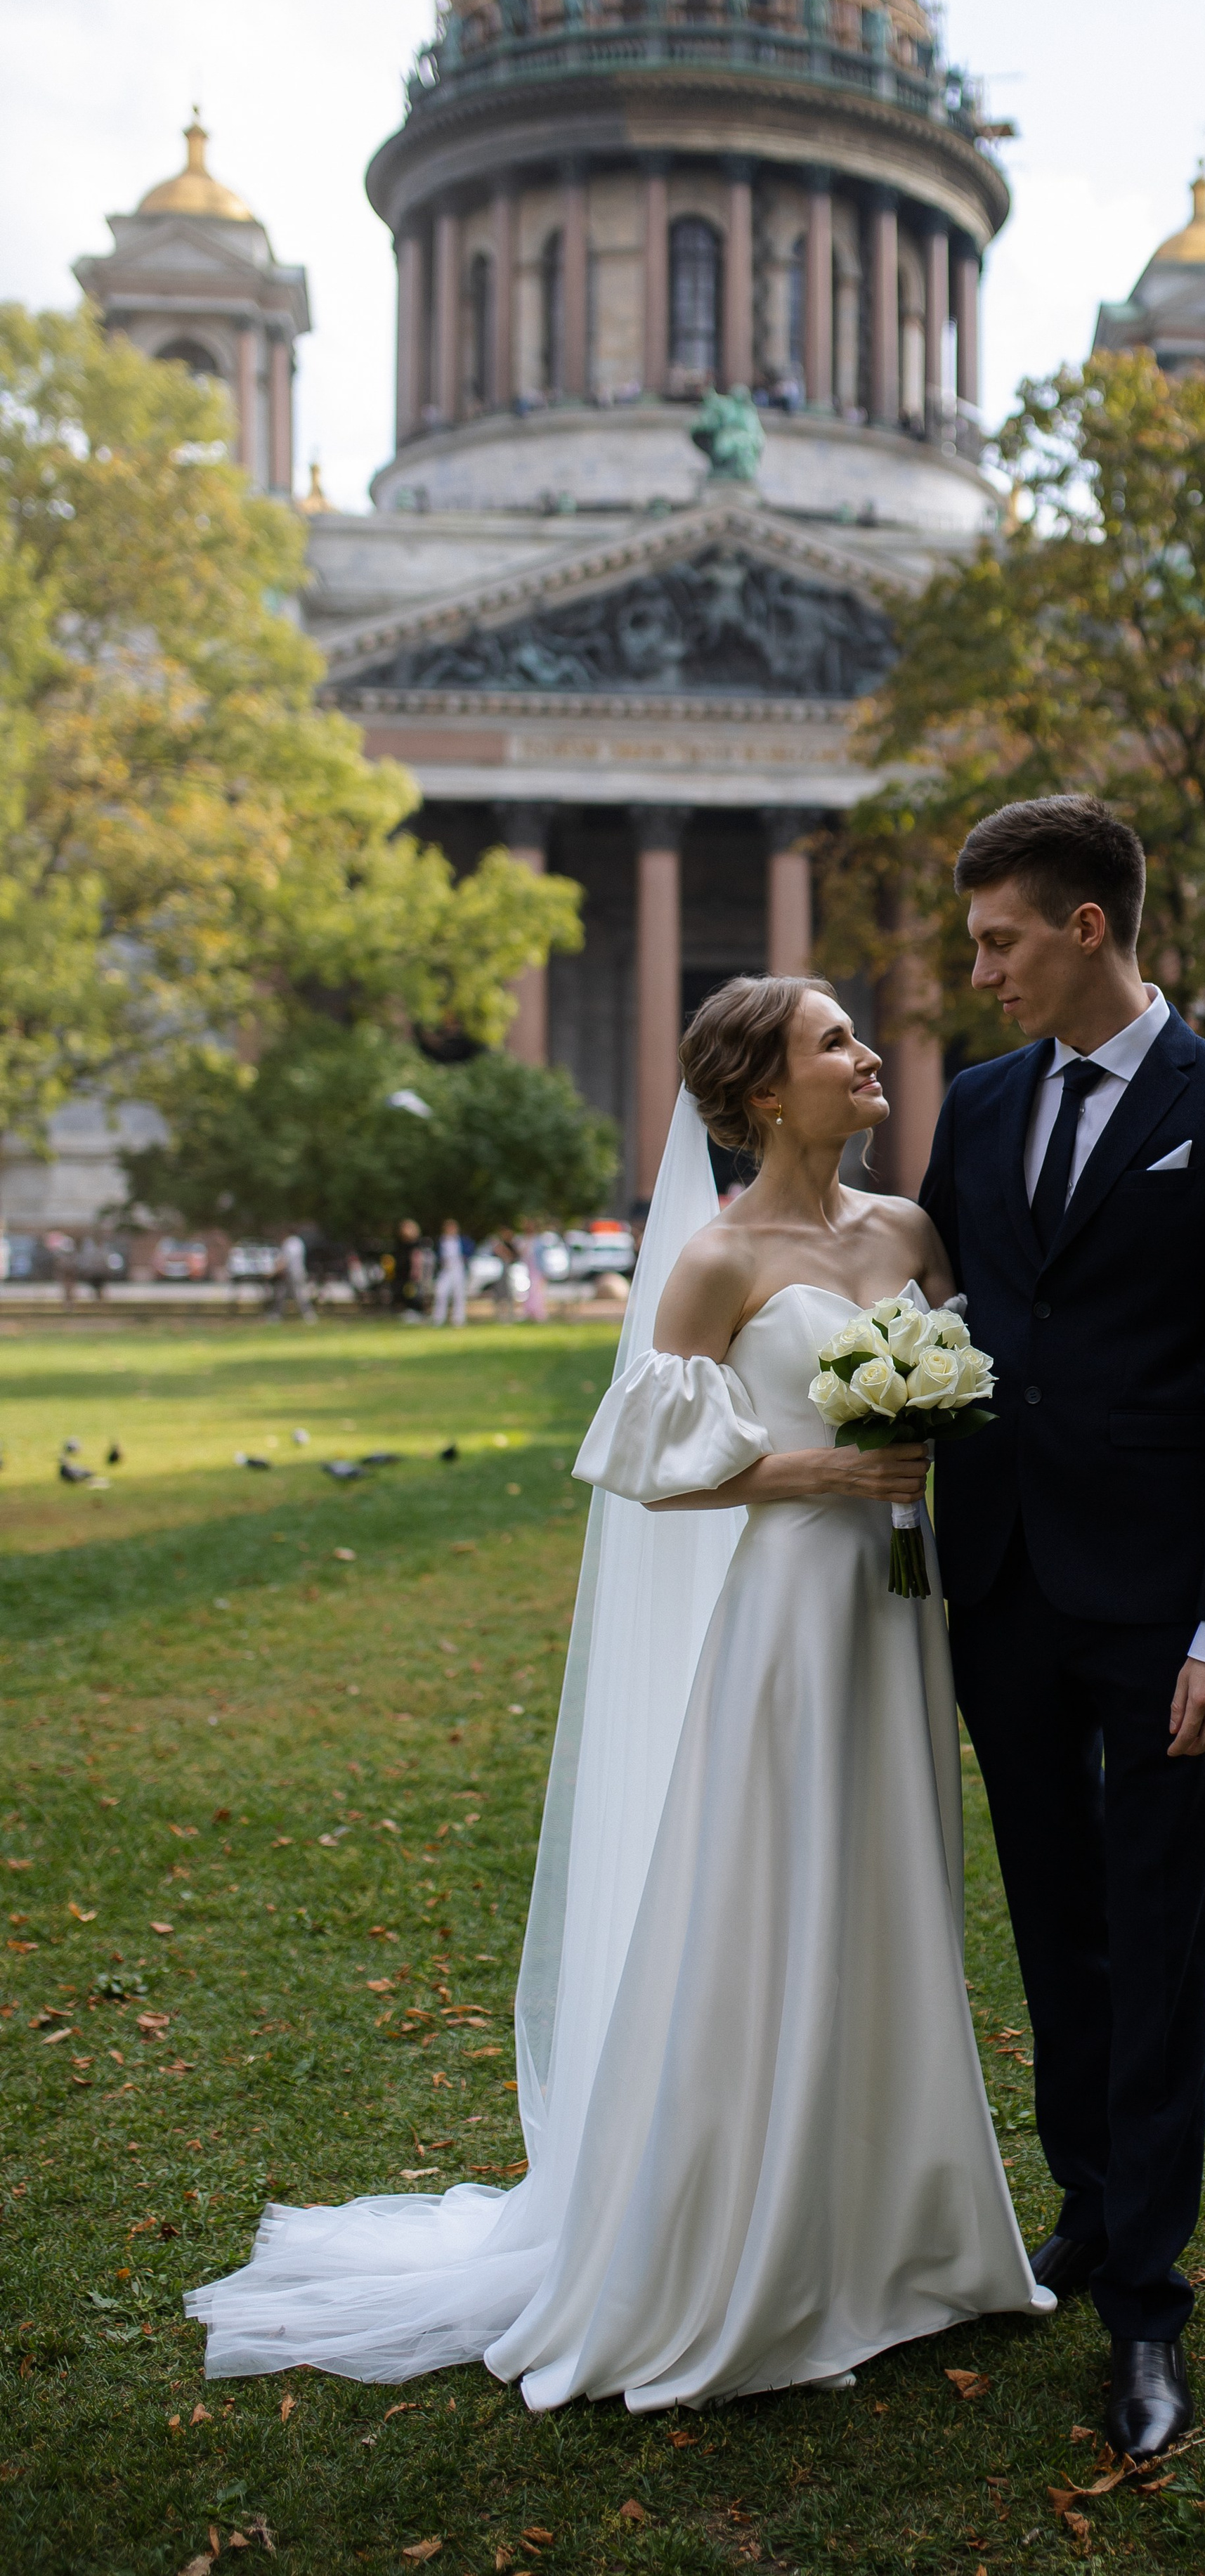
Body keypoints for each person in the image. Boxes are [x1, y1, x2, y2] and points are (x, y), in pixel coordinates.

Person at [187, 973, 1050, 2407]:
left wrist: (928, 1429)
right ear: (766, 1093)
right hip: (787, 1617)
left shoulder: (906, 1230)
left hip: (901, 1616)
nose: (865, 1054)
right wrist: (835, 1468)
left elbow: (963, 1377)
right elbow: (656, 1471)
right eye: (832, 1040)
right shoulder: (713, 1260)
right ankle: (750, 2246)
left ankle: (909, 2234)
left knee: (896, 1887)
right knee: (777, 1893)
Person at [920, 796, 1205, 2459]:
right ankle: (1083, 2200)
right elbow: (944, 1317)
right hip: (1000, 1582)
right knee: (1052, 1913)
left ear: (1087, 927)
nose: (980, 969)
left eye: (1000, 939)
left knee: (1153, 1932)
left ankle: (1145, 2299)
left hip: (1161, 1607)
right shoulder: (974, 1100)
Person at [431, 1217, 468, 1328]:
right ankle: (438, 1318)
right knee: (441, 1293)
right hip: (445, 1270)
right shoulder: (441, 1241)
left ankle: (459, 1319)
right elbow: (437, 1255)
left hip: (458, 1269)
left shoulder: (462, 1240)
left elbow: (468, 1252)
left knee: (459, 1294)